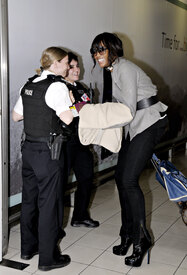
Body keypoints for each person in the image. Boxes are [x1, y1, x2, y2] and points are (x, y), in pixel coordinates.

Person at [90, 32, 168, 267]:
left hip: (150, 122)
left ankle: (141, 239)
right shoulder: (113, 70)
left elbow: (128, 110)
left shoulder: (123, 68)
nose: (97, 54)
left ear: (113, 49)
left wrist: (98, 122)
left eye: (101, 49)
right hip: (137, 126)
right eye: (94, 50)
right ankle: (127, 234)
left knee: (129, 180)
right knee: (120, 177)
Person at [12, 47, 74, 271]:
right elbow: (67, 119)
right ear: (55, 64)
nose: (68, 67)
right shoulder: (57, 86)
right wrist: (71, 102)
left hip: (27, 151)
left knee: (29, 201)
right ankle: (48, 259)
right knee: (49, 205)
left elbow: (16, 116)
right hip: (48, 154)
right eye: (66, 63)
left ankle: (28, 249)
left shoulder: (29, 84)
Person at [64, 52, 99, 228]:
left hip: (82, 141)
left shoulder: (82, 88)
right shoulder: (58, 88)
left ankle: (80, 216)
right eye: (72, 66)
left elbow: (88, 112)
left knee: (86, 178)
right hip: (64, 143)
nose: (77, 70)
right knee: (59, 184)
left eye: (77, 66)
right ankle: (51, 225)